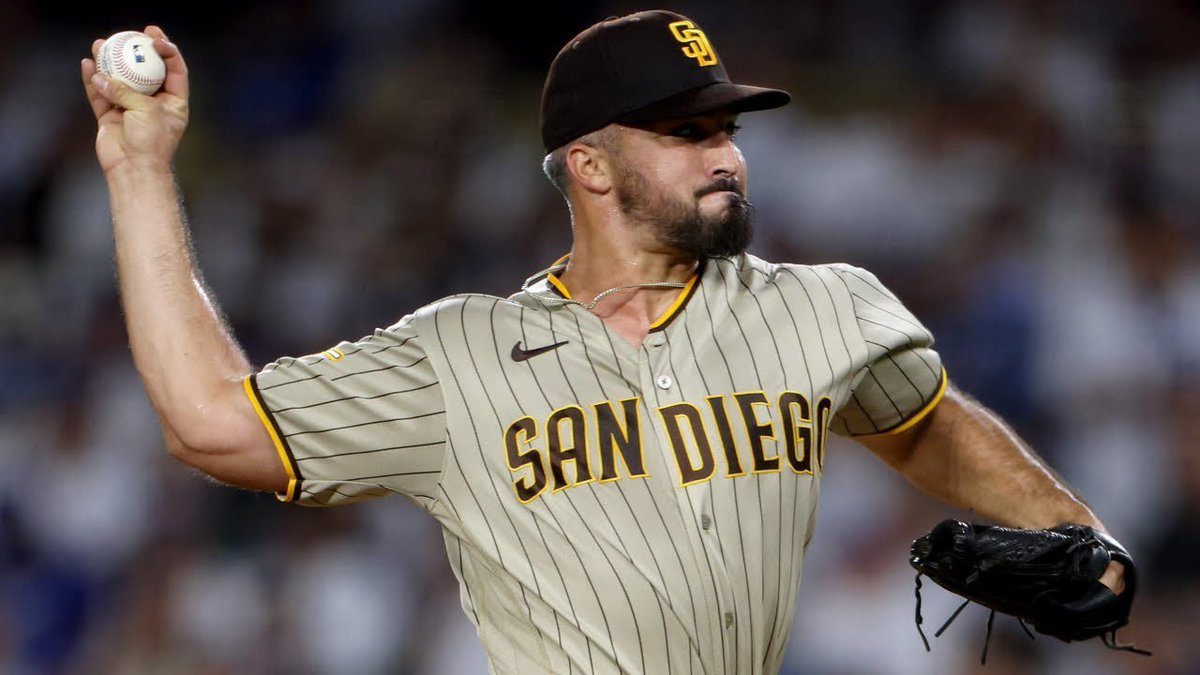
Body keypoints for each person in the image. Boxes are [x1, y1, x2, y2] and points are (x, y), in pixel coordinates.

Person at [81, 11, 1129, 675]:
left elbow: (921, 421)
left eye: (728, 130)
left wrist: (1077, 530)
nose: (727, 156)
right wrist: (138, 172)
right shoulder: (461, 355)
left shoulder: (824, 307)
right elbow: (208, 421)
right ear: (588, 164)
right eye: (687, 134)